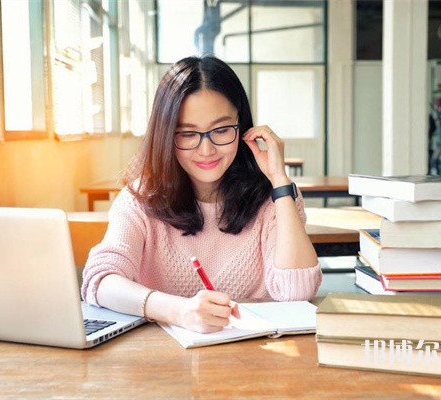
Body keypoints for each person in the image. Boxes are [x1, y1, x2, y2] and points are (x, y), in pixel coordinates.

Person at [81, 55, 321, 333]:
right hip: (163, 362)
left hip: (257, 360)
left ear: (242, 127)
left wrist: (280, 182)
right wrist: (179, 310)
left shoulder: (276, 198)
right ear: (165, 135)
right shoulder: (140, 198)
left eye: (221, 130)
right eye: (187, 134)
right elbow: (101, 281)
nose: (206, 150)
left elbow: (298, 291)